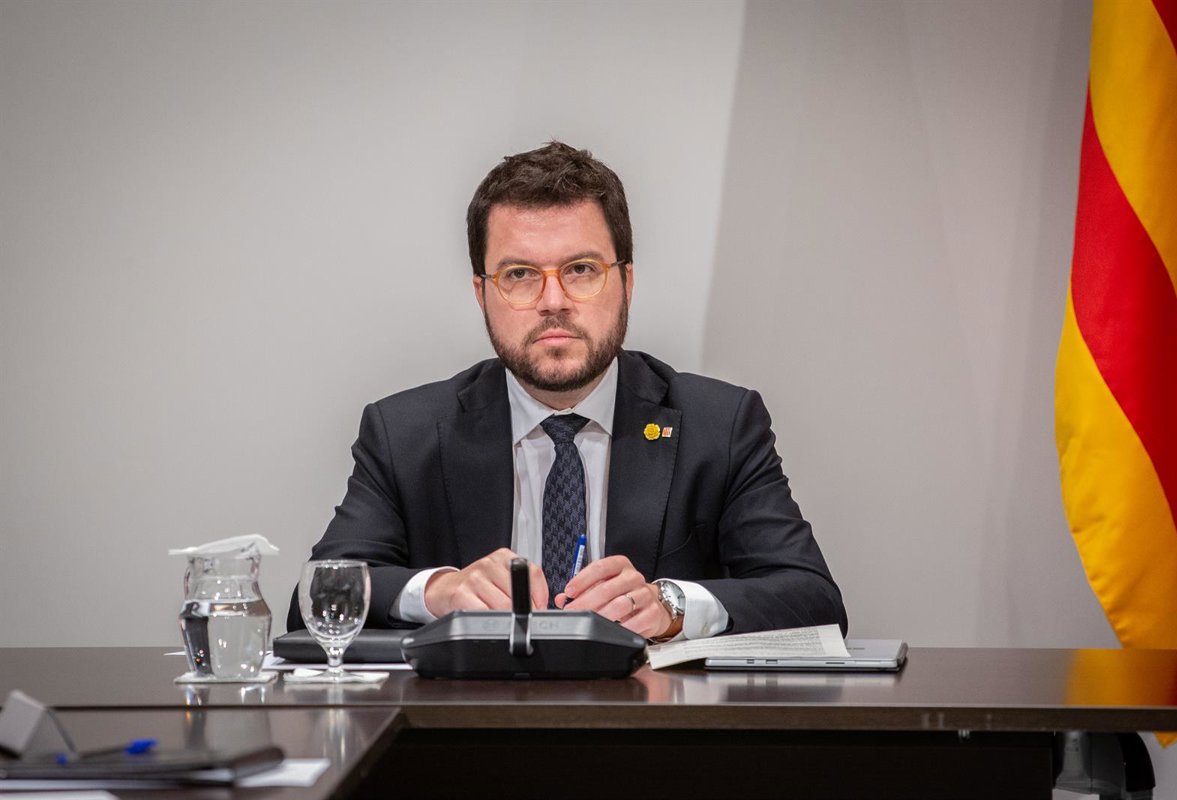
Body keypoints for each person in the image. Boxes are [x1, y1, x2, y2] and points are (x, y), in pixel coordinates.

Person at [287, 142, 846, 642]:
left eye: (580, 270)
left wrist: (672, 606)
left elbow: (813, 598)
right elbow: (315, 599)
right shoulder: (405, 434)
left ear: (626, 281)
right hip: (469, 722)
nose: (553, 301)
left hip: (654, 720)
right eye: (519, 274)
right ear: (482, 294)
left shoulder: (718, 425)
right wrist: (439, 592)